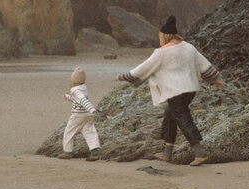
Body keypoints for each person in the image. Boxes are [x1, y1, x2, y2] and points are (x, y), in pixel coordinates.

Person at [115, 15, 224, 166]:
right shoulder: (188, 47)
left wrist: (122, 77)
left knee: (183, 119)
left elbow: (142, 69)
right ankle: (167, 152)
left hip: (175, 91)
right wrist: (215, 79)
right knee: (170, 116)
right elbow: (203, 64)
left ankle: (200, 152)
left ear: (165, 35)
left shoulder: (161, 53)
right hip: (190, 89)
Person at [59, 66, 104, 161]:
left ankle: (67, 152)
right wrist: (68, 97)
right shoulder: (84, 88)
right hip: (87, 115)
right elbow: (78, 99)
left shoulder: (75, 90)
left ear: (74, 82)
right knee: (90, 132)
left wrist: (91, 108)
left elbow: (83, 100)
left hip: (78, 115)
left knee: (69, 131)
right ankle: (94, 152)